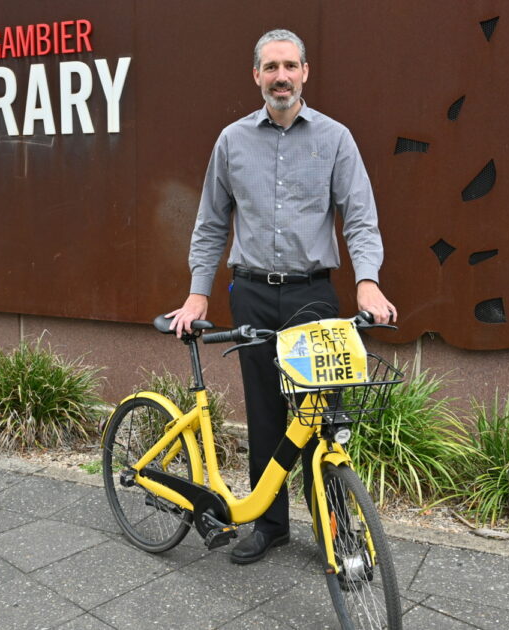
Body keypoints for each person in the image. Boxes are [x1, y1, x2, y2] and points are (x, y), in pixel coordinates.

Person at [168, 28, 396, 565]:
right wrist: (198, 295)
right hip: (250, 294)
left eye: (289, 66)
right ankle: (269, 526)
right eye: (270, 68)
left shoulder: (336, 139)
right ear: (256, 76)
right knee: (266, 413)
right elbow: (208, 225)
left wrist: (367, 280)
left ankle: (336, 531)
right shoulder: (231, 142)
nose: (281, 77)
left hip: (312, 298)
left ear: (305, 72)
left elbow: (359, 218)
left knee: (322, 417)